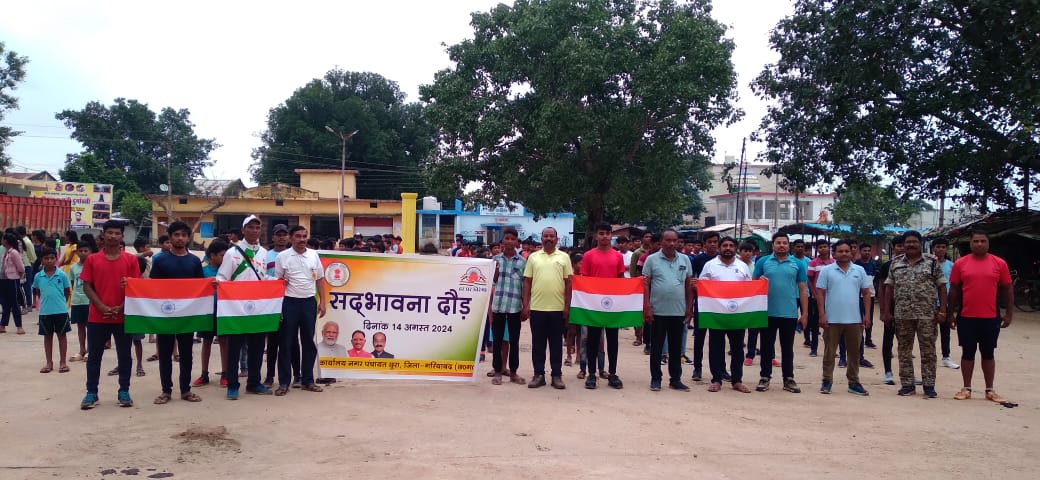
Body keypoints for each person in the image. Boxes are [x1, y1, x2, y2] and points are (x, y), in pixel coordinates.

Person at [80, 220, 141, 409]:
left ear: (122, 236)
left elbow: (136, 287)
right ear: (103, 235)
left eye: (117, 233)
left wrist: (121, 307)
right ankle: (91, 392)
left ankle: (124, 391)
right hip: (97, 316)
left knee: (125, 355)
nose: (113, 236)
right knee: (94, 356)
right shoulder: (92, 259)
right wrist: (101, 306)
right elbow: (87, 286)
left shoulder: (130, 260)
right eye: (110, 232)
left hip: (123, 316)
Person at [948, 231, 1013, 403]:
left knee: (988, 353)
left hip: (991, 317)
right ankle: (966, 388)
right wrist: (950, 314)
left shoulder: (999, 263)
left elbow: (1007, 288)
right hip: (966, 317)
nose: (979, 244)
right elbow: (954, 290)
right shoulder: (960, 264)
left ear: (988, 243)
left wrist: (1009, 314)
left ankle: (989, 389)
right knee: (967, 352)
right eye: (975, 241)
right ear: (970, 243)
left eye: (983, 241)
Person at [882, 230, 946, 398]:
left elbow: (941, 287)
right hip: (902, 315)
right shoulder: (895, 263)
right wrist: (886, 312)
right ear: (903, 245)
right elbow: (889, 288)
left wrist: (942, 310)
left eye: (914, 242)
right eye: (908, 242)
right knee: (904, 350)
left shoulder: (932, 263)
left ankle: (929, 386)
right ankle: (907, 385)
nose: (911, 245)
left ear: (920, 244)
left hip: (927, 315)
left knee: (928, 351)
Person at [217, 215, 273, 400]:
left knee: (257, 347)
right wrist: (219, 284)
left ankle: (254, 383)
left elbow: (263, 277)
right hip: (236, 309)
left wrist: (278, 282)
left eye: (257, 227)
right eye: (250, 227)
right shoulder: (232, 252)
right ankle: (232, 385)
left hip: (258, 308)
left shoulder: (263, 253)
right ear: (243, 230)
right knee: (234, 348)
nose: (254, 230)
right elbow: (222, 277)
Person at [150, 221, 205, 405]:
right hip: (165, 314)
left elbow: (200, 287)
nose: (180, 238)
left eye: (183, 235)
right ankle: (166, 391)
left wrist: (211, 285)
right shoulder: (160, 260)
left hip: (186, 316)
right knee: (165, 353)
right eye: (176, 235)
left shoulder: (194, 261)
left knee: (186, 353)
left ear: (188, 238)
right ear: (170, 237)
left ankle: (185, 390)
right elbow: (153, 287)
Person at [752, 232, 809, 393]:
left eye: (784, 243)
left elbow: (803, 290)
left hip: (789, 313)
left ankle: (788, 378)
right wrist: (758, 282)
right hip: (767, 312)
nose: (781, 245)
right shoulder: (763, 261)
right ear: (773, 245)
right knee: (766, 347)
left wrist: (804, 313)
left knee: (787, 348)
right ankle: (765, 377)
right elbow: (752, 284)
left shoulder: (798, 264)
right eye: (778, 243)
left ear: (789, 245)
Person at [273, 225, 326, 396]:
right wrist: (278, 304)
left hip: (309, 302)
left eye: (304, 236)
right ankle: (284, 383)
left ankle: (308, 380)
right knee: (286, 343)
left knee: (308, 342)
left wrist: (322, 301)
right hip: (289, 302)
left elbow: (320, 279)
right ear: (291, 238)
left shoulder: (313, 255)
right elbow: (278, 282)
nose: (302, 239)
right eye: (298, 236)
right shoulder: (282, 257)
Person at [815, 240, 872, 395]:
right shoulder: (827, 271)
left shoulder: (859, 270)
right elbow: (820, 293)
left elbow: (866, 293)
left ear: (852, 253)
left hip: (854, 319)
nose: (844, 254)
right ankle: (827, 381)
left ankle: (854, 382)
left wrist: (867, 315)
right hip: (832, 319)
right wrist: (822, 314)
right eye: (840, 251)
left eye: (847, 251)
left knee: (854, 353)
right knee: (829, 353)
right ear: (834, 254)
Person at [697, 236, 753, 393]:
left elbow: (749, 290)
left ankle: (737, 380)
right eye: (725, 245)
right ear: (719, 248)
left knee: (737, 349)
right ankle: (716, 380)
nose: (728, 248)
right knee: (716, 347)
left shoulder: (742, 266)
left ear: (735, 248)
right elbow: (702, 288)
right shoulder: (710, 265)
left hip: (737, 314)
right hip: (716, 314)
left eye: (731, 245)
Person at [642, 229, 693, 392]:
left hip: (678, 311)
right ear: (661, 242)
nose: (671, 243)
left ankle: (675, 379)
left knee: (676, 348)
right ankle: (656, 378)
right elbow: (645, 284)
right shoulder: (651, 260)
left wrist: (689, 307)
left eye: (674, 240)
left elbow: (689, 285)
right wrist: (647, 306)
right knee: (656, 347)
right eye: (668, 240)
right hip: (657, 311)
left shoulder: (685, 259)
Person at [522, 227, 573, 390]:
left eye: (552, 236)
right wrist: (526, 304)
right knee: (538, 344)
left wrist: (567, 306)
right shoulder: (533, 257)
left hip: (557, 309)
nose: (549, 238)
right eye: (546, 236)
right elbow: (527, 282)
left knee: (556, 344)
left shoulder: (564, 257)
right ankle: (538, 375)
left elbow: (569, 283)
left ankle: (556, 375)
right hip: (537, 308)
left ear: (557, 239)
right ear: (541, 238)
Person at [579, 222, 626, 389]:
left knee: (613, 340)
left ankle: (612, 373)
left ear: (611, 236)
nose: (605, 236)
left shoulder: (618, 256)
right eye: (601, 233)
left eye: (607, 233)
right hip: (594, 305)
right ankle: (591, 374)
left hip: (612, 306)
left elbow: (621, 280)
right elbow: (584, 280)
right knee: (592, 341)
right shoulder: (588, 256)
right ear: (596, 236)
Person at [264, 223, 301, 388]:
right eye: (278, 235)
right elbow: (262, 276)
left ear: (288, 237)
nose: (281, 237)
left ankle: (297, 375)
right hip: (272, 303)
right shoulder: (266, 256)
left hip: (290, 301)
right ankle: (270, 376)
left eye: (284, 234)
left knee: (292, 341)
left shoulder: (295, 255)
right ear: (273, 237)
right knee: (272, 342)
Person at [490, 227, 526, 385]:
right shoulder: (494, 260)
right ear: (502, 241)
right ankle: (498, 371)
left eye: (513, 239)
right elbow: (491, 282)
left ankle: (513, 372)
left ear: (517, 242)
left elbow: (525, 285)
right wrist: (495, 273)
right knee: (497, 340)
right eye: (507, 238)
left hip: (514, 307)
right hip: (498, 305)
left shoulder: (523, 262)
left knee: (514, 341)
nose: (510, 241)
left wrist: (526, 306)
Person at [194, 239, 229, 387]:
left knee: (224, 342)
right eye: (222, 255)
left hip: (224, 311)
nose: (225, 258)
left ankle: (225, 374)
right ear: (212, 256)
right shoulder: (203, 270)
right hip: (207, 311)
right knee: (206, 342)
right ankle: (204, 374)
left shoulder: (228, 271)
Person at [33, 247, 71, 374]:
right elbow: (38, 291)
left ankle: (63, 362)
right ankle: (49, 362)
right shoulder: (38, 276)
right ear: (42, 260)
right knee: (47, 337)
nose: (49, 260)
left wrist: (61, 303)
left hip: (61, 311)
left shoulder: (62, 275)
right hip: (45, 311)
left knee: (62, 336)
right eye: (46, 258)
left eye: (52, 258)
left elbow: (67, 291)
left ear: (56, 259)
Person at [689, 231, 721, 381]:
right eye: (710, 242)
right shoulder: (697, 260)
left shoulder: (723, 259)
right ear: (704, 244)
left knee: (718, 339)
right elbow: (691, 281)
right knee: (699, 337)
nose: (713, 244)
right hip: (701, 304)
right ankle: (697, 368)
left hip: (720, 305)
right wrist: (690, 304)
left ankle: (721, 369)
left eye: (715, 241)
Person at [877, 235, 906, 385]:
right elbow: (882, 289)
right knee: (888, 340)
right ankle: (888, 372)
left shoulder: (914, 265)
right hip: (891, 308)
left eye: (904, 245)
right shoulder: (887, 266)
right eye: (899, 246)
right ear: (893, 248)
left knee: (906, 342)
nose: (902, 248)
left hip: (908, 309)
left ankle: (907, 372)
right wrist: (884, 310)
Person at [931, 238, 959, 370]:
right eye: (938, 247)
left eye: (943, 247)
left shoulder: (951, 266)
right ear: (933, 248)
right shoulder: (928, 264)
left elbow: (954, 285)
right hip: (930, 303)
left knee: (945, 331)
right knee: (929, 333)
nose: (940, 249)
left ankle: (946, 357)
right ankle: (930, 357)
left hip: (944, 303)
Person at [68, 239, 96, 362]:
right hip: (77, 301)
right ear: (77, 252)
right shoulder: (73, 268)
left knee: (91, 327)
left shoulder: (93, 267)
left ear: (90, 252)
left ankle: (90, 350)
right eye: (81, 251)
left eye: (86, 251)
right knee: (80, 327)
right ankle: (82, 349)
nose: (83, 253)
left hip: (89, 301)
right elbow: (73, 283)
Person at [806, 239, 833, 357]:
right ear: (817, 249)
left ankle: (830, 348)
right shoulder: (813, 263)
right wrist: (815, 294)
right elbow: (809, 280)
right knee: (815, 323)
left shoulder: (834, 262)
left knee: (831, 324)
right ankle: (814, 348)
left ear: (828, 248)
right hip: (816, 298)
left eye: (825, 246)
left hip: (831, 298)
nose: (823, 249)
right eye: (820, 247)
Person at [0, 233, 26, 334]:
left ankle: (19, 326)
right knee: (5, 304)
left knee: (14, 303)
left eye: (3, 239)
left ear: (6, 241)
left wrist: (17, 275)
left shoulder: (14, 252)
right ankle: (2, 325)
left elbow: (21, 267)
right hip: (3, 280)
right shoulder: (5, 251)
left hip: (12, 280)